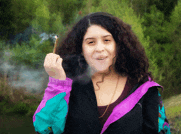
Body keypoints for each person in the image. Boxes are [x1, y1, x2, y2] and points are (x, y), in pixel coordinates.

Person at [33, 12, 171, 134]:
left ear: (118, 45)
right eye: (91, 42)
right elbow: (45, 129)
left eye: (106, 40)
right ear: (81, 49)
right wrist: (57, 83)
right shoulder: (67, 85)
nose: (99, 48)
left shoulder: (143, 88)